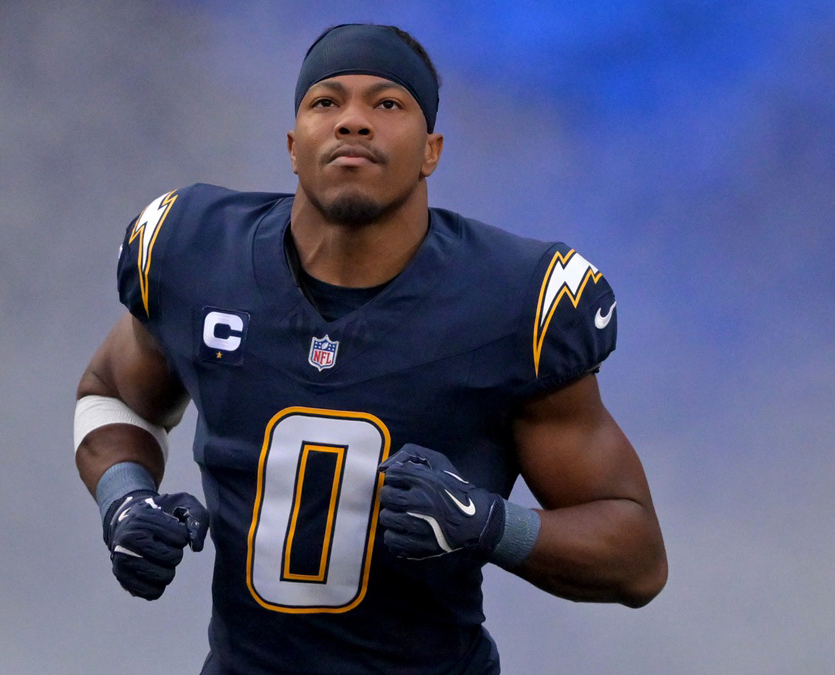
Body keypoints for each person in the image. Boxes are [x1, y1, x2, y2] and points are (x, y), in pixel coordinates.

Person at [74, 23, 667, 674]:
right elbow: (112, 396)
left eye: (388, 104)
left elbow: (638, 558)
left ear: (431, 151)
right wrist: (126, 498)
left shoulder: (512, 303)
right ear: (294, 144)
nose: (353, 121)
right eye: (326, 101)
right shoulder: (195, 252)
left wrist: (490, 525)